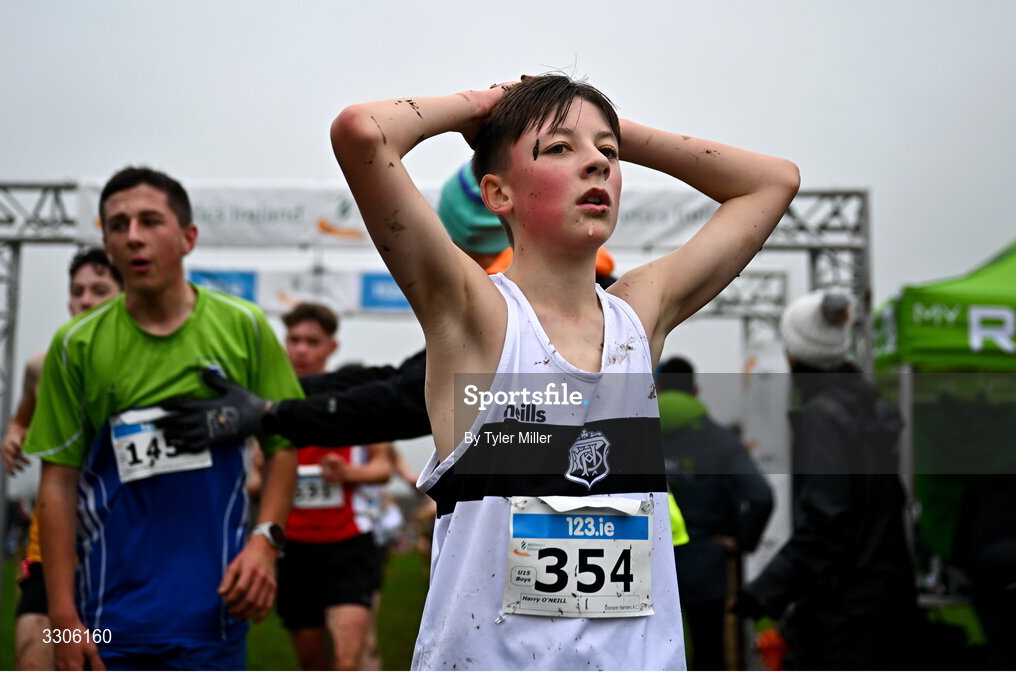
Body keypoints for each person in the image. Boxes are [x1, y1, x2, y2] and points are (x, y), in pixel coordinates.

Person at [329, 74, 799, 670]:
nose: (596, 166)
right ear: (497, 194)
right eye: (558, 148)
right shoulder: (477, 316)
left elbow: (773, 182)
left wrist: (607, 127)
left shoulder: (638, 317)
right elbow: (361, 132)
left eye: (608, 154)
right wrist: (482, 107)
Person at [22, 166, 303, 670]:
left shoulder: (243, 327)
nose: (133, 237)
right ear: (106, 244)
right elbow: (58, 485)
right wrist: (62, 617)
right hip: (108, 617)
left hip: (215, 611)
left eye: (150, 221)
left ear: (188, 237)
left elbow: (283, 444)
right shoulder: (76, 346)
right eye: (118, 225)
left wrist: (265, 541)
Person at [159, 162, 620, 453]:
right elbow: (405, 378)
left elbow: (406, 401)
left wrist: (271, 414)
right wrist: (279, 390)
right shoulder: (572, 292)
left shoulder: (526, 303)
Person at [735, 289, 918, 669]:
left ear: (792, 353)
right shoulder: (867, 404)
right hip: (885, 597)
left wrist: (764, 591)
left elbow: (826, 521)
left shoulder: (824, 418)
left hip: (845, 610)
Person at [0, 247, 122, 671]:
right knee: (38, 658)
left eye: (99, 290)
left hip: (123, 551)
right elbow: (20, 419)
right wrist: (14, 436)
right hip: (52, 549)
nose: (85, 300)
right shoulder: (43, 366)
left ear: (125, 296)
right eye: (77, 291)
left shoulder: (148, 371)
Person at [274, 301, 392, 671]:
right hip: (293, 549)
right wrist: (278, 480)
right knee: (312, 662)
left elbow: (382, 466)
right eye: (294, 340)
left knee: (346, 661)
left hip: (348, 547)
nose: (302, 350)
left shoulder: (353, 402)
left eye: (312, 341)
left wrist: (348, 474)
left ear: (331, 348)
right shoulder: (270, 405)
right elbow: (254, 481)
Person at [656, 356, 773, 670]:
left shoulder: (634, 435)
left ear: (657, 388)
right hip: (705, 564)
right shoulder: (721, 442)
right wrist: (740, 542)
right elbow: (761, 496)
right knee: (710, 655)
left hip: (648, 566)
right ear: (695, 391)